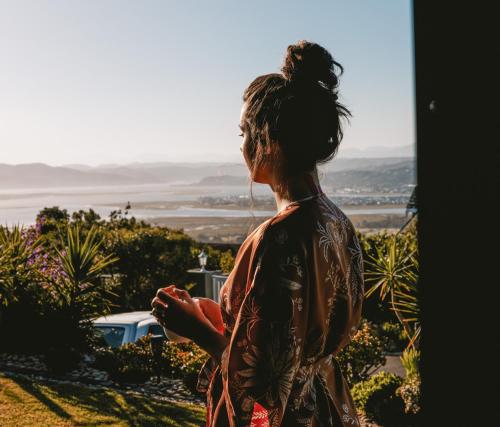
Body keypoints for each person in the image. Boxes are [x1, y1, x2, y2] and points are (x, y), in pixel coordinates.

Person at [151, 40, 364, 427]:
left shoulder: (281, 237)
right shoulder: (336, 222)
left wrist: (196, 331)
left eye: (244, 133)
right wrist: (226, 321)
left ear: (270, 139)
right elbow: (291, 338)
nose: (242, 146)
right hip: (327, 406)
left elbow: (262, 394)